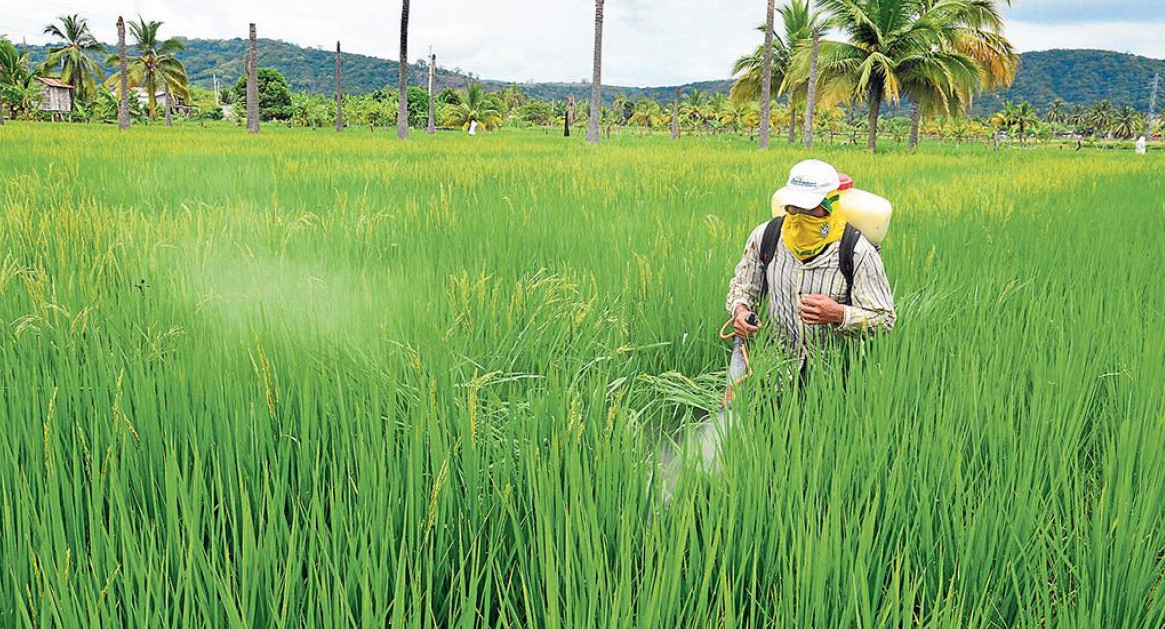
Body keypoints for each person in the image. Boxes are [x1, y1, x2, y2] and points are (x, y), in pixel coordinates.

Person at [725, 159, 896, 381]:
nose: (799, 214)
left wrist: (839, 314)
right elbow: (742, 288)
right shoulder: (766, 236)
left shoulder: (856, 251)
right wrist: (741, 312)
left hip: (833, 378)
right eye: (794, 207)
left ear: (829, 204)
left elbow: (884, 320)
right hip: (775, 370)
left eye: (809, 207)